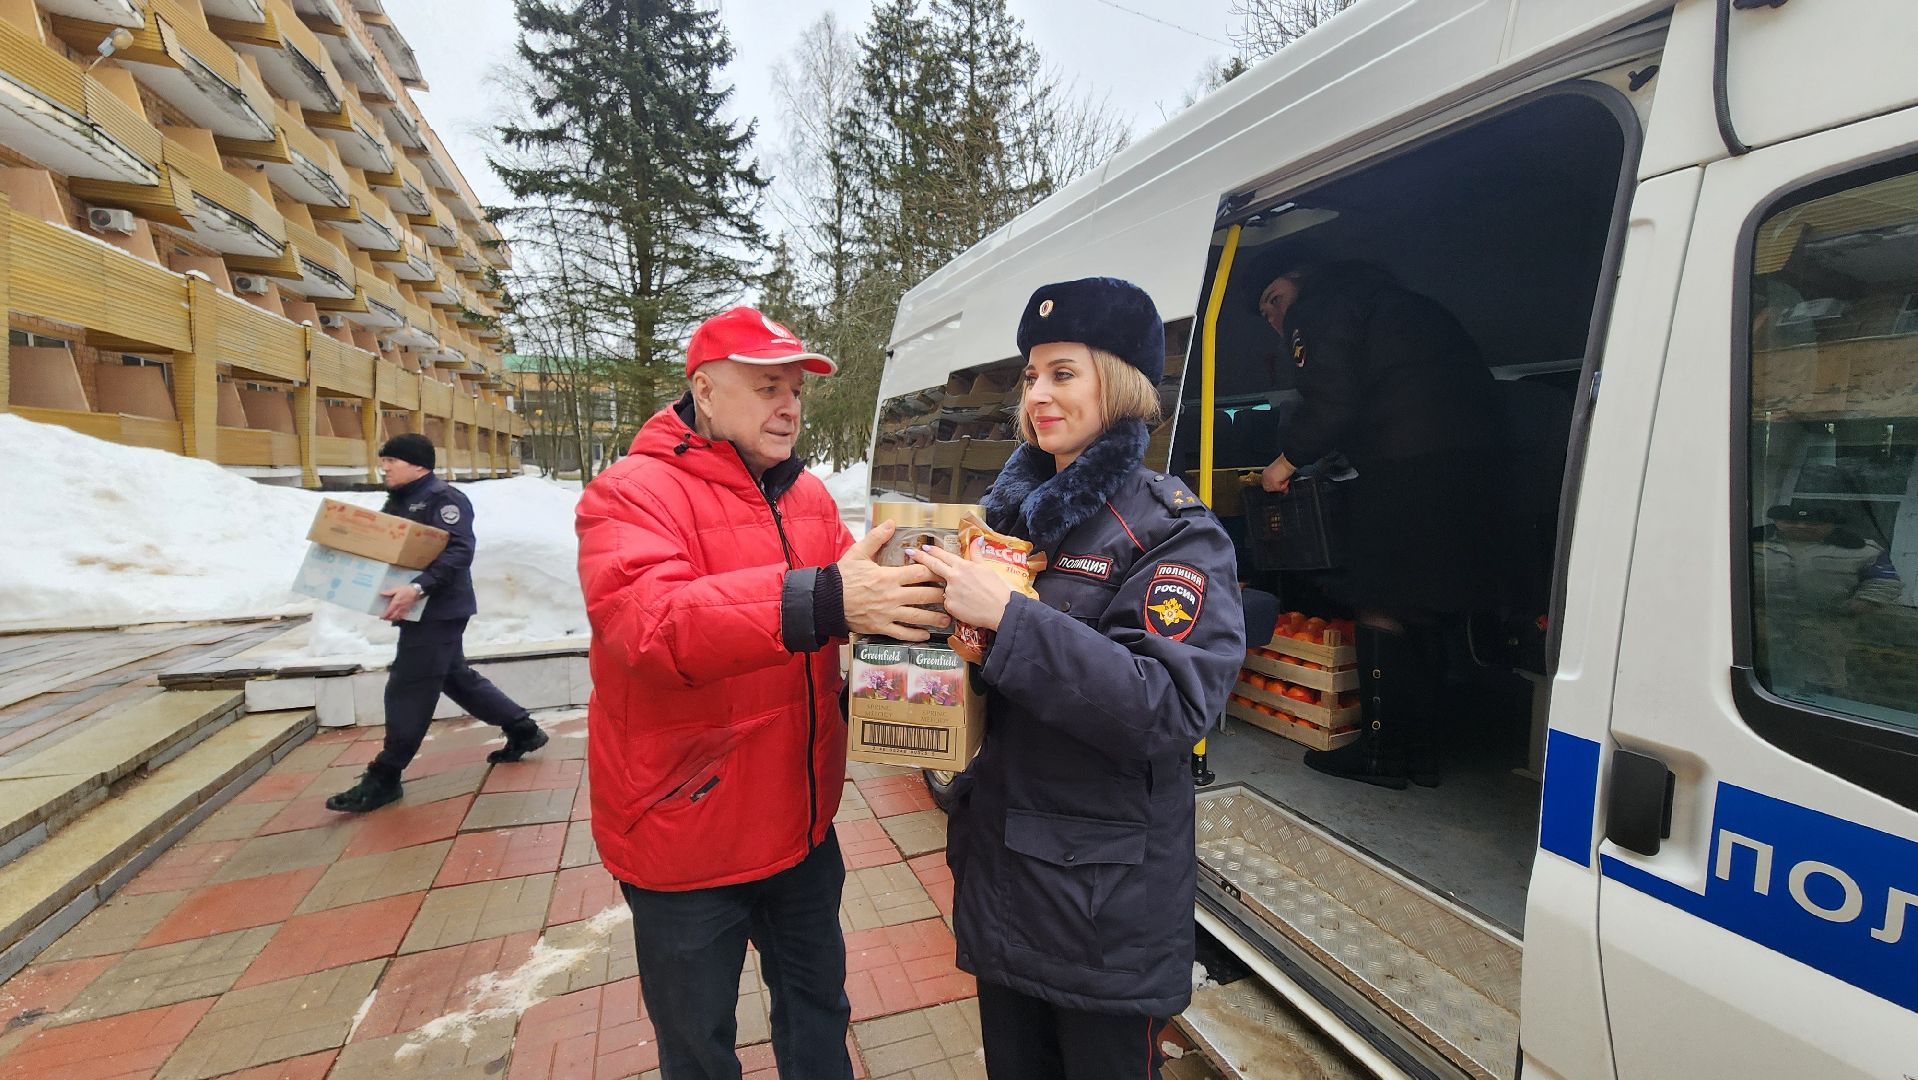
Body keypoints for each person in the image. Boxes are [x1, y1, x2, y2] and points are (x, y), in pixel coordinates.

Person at [574, 307, 947, 1080]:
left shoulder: (806, 498)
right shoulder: (630, 493)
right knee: (699, 1045)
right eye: (767, 387)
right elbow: (652, 626)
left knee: (819, 1014)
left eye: (798, 392)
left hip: (801, 824)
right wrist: (829, 601)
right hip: (687, 832)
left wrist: (918, 609)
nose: (789, 406)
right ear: (705, 391)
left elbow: (845, 602)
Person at [906, 278, 1244, 1080]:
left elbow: (1168, 703)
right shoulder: (1008, 520)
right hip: (1003, 879)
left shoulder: (1173, 532)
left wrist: (1010, 621)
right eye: (1030, 376)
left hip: (1100, 913)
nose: (1038, 395)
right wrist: (917, 634)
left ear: (1120, 382)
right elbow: (993, 677)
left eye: (1064, 373)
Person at [1253, 256, 1503, 789]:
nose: (1275, 318)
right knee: (1428, 601)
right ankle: (1421, 753)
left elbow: (1333, 397)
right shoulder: (1400, 303)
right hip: (1473, 460)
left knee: (1379, 594)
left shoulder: (1319, 308)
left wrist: (1286, 461)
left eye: (1274, 299)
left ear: (1301, 279)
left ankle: (1379, 751)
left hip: (1406, 462)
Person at [326, 433, 550, 813]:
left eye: (391, 461)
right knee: (452, 676)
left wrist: (417, 588)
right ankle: (523, 730)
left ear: (417, 464)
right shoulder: (399, 499)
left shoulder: (443, 499)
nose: (384, 468)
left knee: (409, 686)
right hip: (421, 610)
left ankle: (385, 776)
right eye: (383, 462)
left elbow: (460, 550)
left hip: (439, 609)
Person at [1753, 502, 1902, 697]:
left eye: (1813, 523)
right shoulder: (1749, 540)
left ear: (1831, 524)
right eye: (1791, 521)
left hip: (1825, 627)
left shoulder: (1864, 550)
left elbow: (1885, 581)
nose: (1801, 526)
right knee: (1759, 681)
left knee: (1817, 686)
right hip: (1762, 624)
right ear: (1777, 521)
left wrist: (1860, 605)